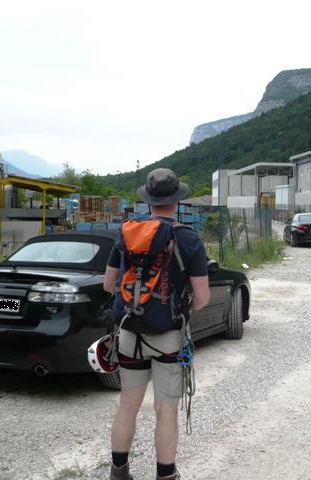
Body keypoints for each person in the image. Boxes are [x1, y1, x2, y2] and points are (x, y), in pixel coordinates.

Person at [103, 168, 211, 480]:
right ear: (177, 200)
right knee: (165, 409)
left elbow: (109, 285)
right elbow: (202, 297)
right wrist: (179, 309)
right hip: (168, 336)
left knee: (127, 405)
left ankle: (118, 471)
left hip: (128, 331)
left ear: (148, 201)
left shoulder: (125, 233)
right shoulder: (188, 238)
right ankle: (165, 475)